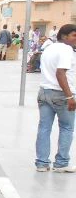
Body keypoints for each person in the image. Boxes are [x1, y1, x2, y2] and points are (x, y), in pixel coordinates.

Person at [35, 24, 76, 172]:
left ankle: (41, 163)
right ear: (64, 36)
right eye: (74, 36)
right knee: (66, 127)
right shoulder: (66, 50)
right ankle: (61, 163)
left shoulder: (49, 48)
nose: (75, 39)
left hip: (44, 91)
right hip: (61, 95)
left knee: (44, 128)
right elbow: (60, 73)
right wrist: (70, 96)